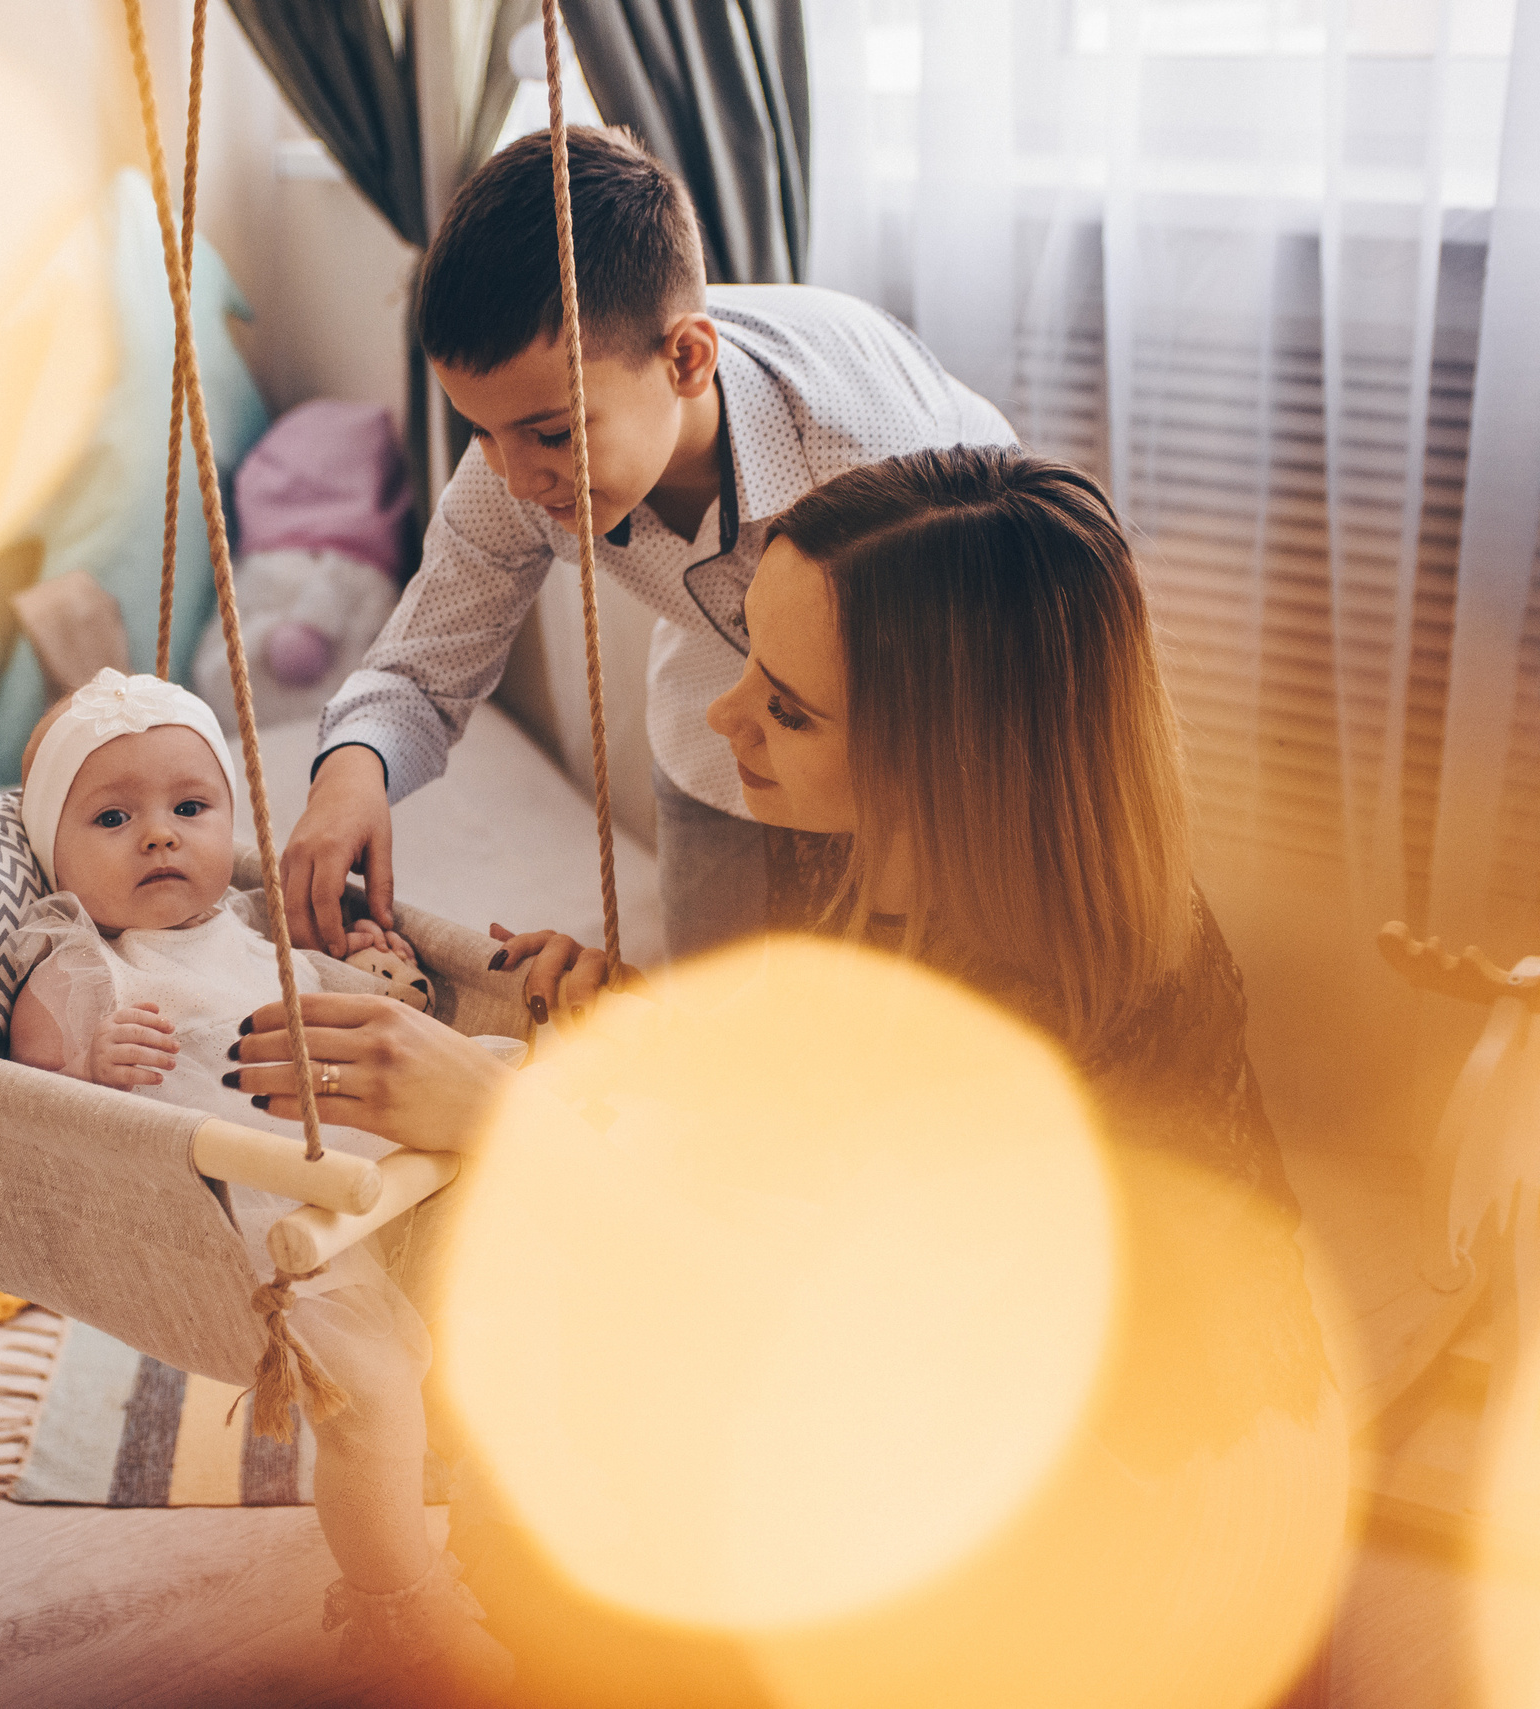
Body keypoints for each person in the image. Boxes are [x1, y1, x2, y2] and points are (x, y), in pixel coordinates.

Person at [236, 446, 1334, 1707]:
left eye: (789, 707)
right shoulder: (915, 866)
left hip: (1144, 1524)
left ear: (947, 753)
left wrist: (505, 1114)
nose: (724, 713)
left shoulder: (1043, 999)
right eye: (745, 655)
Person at [283, 126, 1018, 967]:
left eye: (552, 434)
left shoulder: (869, 457)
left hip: (941, 708)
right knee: (713, 1017)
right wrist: (351, 773)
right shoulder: (522, 455)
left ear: (687, 359)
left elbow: (979, 698)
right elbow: (422, 665)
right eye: (482, 433)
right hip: (716, 701)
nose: (519, 479)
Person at [0, 668, 514, 1701]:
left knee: (515, 1064)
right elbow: (30, 1086)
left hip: (392, 1173)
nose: (158, 834)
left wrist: (373, 964)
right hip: (269, 1230)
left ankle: (526, 1518)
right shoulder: (77, 945)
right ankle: (398, 1610)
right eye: (112, 816)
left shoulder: (250, 919)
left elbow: (354, 1013)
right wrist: (93, 1056)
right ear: (52, 847)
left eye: (188, 808)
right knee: (369, 1399)